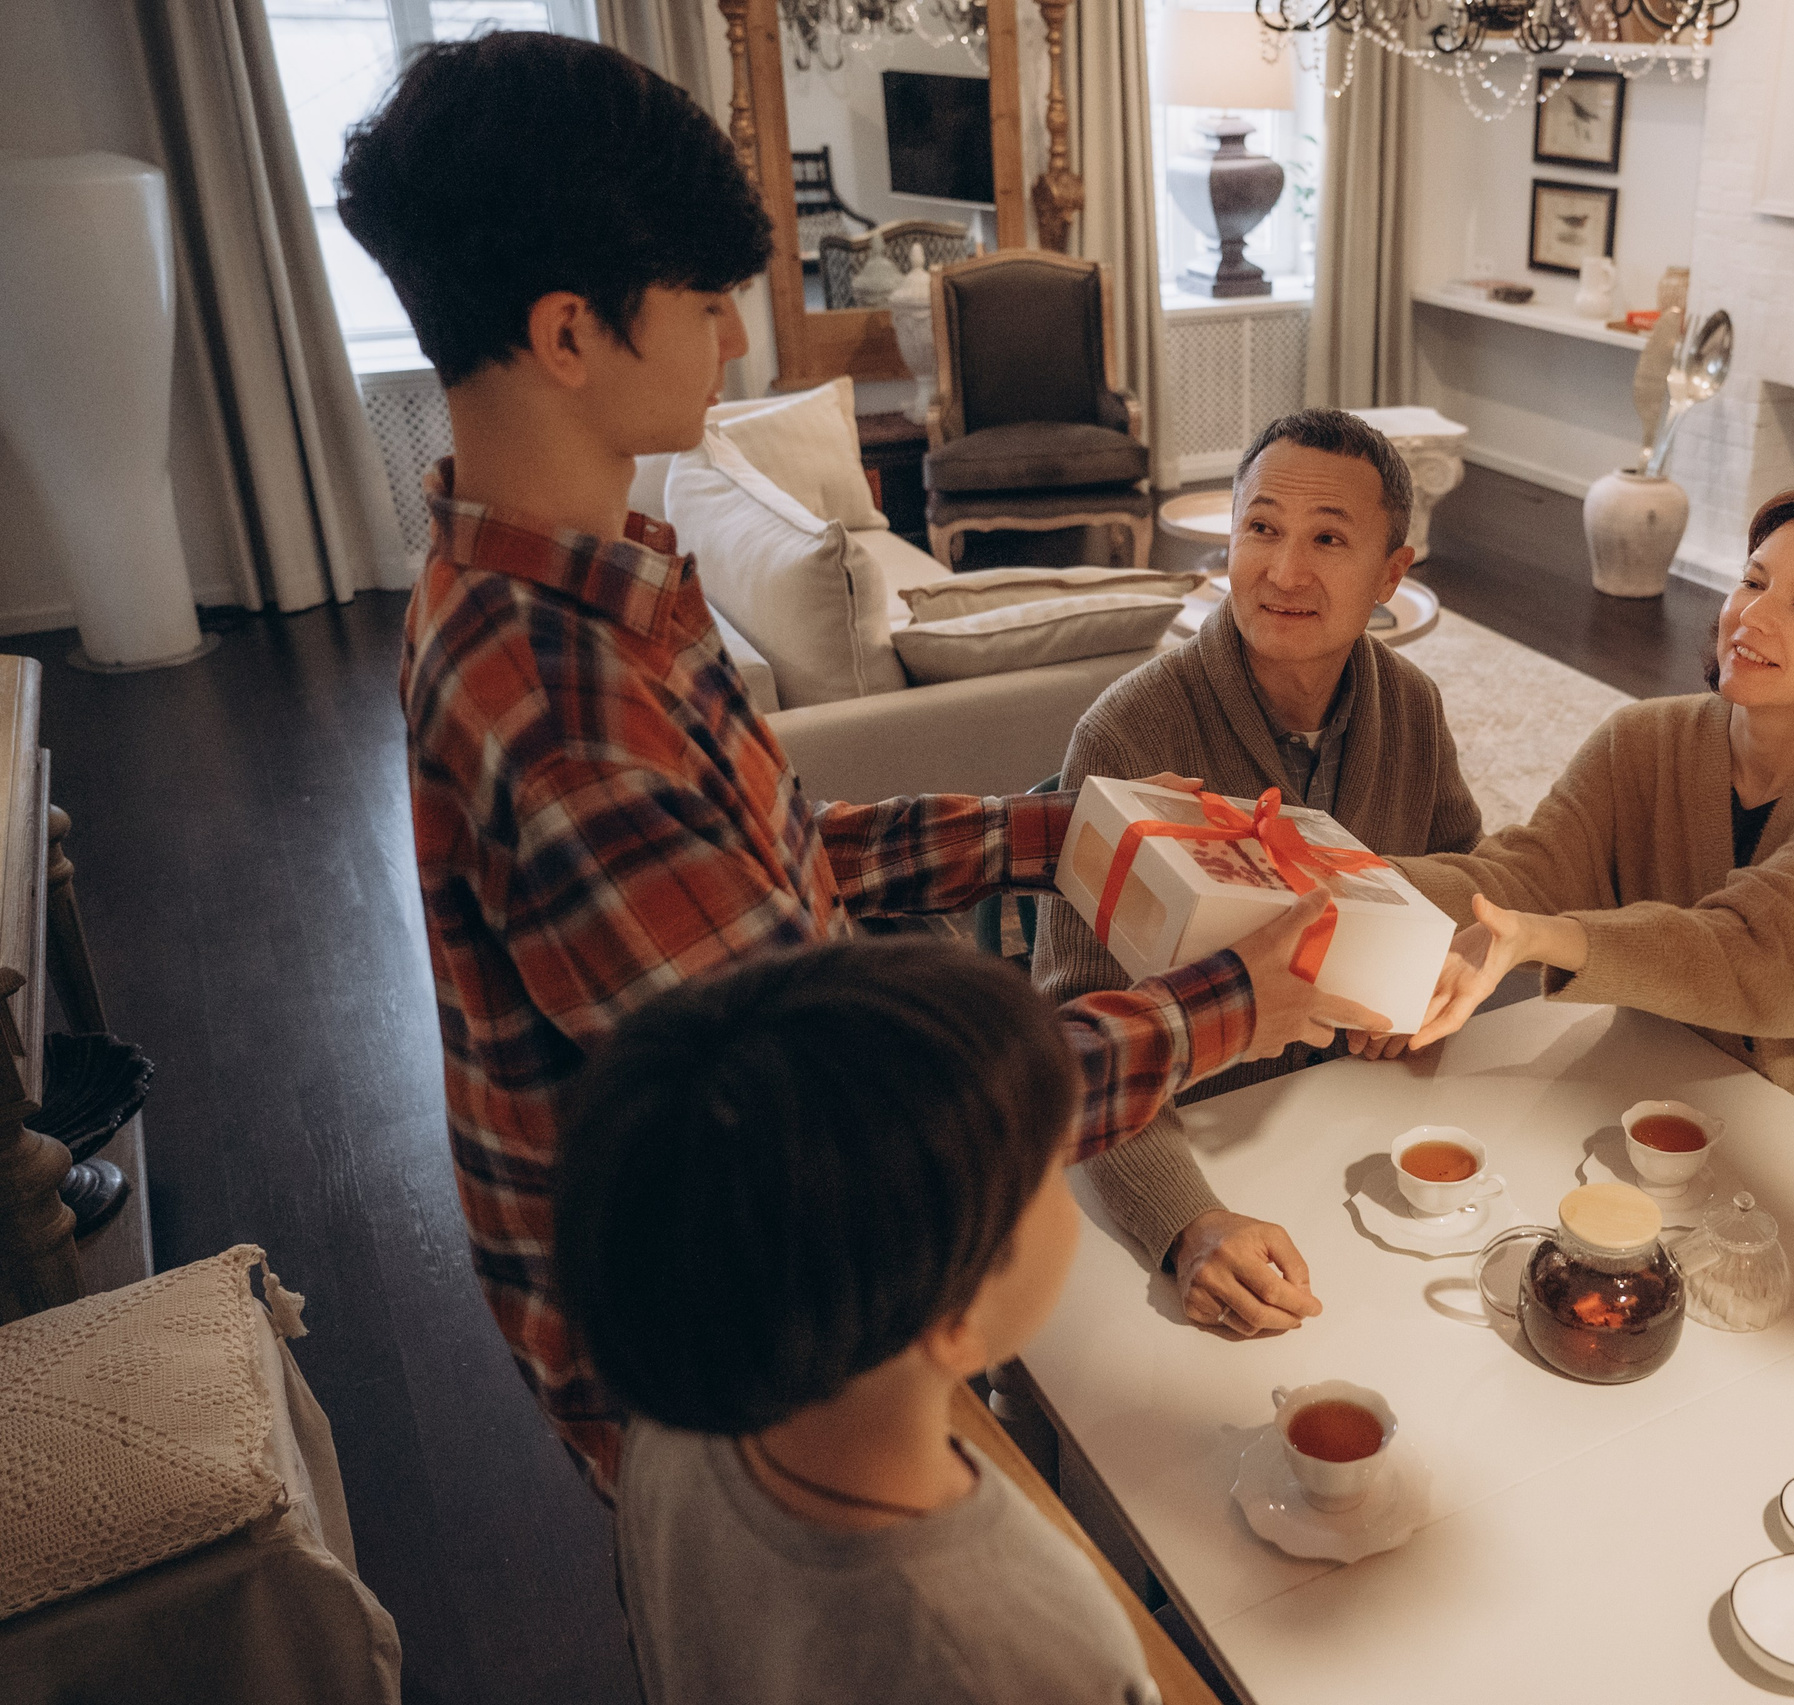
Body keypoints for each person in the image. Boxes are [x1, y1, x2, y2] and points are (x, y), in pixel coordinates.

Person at [339, 33, 1380, 1492]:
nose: (733, 342)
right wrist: (1231, 1003)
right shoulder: (560, 707)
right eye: (705, 303)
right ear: (569, 335)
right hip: (735, 1361)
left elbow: (774, 855)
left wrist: (1050, 829)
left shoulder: (583, 585)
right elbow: (860, 1140)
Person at [556, 940, 1155, 1705]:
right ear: (955, 1319)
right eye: (1056, 1172)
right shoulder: (1036, 1653)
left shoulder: (676, 1431)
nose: (1069, 1195)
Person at [1395, 486, 1794, 1212]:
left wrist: (1550, 938)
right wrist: (1341, 877)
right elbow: (1520, 874)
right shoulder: (1642, 739)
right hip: (1660, 1100)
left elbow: (1748, 951)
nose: (1753, 616)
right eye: (1754, 581)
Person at [1033, 410, 1481, 1337]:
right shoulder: (1128, 735)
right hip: (1195, 1148)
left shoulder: (1411, 705)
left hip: (1360, 1121)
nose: (1283, 571)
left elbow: (1464, 879)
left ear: (1392, 574)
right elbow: (1070, 1029)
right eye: (1261, 529)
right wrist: (1185, 1224)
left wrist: (1425, 977)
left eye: (1328, 538)